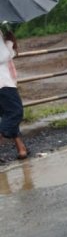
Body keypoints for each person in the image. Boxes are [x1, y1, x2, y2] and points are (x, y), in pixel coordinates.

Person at [0, 25, 28, 160]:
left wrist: (8, 43)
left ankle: (21, 148)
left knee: (6, 115)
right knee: (15, 112)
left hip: (4, 81)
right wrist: (9, 42)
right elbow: (2, 56)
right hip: (3, 82)